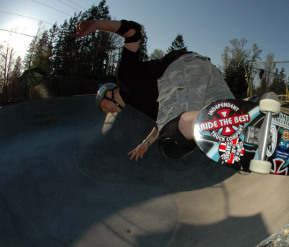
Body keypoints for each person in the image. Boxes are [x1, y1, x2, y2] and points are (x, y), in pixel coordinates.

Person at [71, 19, 234, 160]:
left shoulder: (125, 77)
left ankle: (223, 120)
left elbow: (133, 32)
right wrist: (146, 143)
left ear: (108, 93)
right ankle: (251, 115)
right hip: (204, 69)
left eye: (103, 106)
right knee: (231, 130)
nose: (107, 112)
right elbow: (159, 124)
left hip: (183, 69)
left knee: (172, 143)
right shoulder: (140, 104)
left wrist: (97, 25)